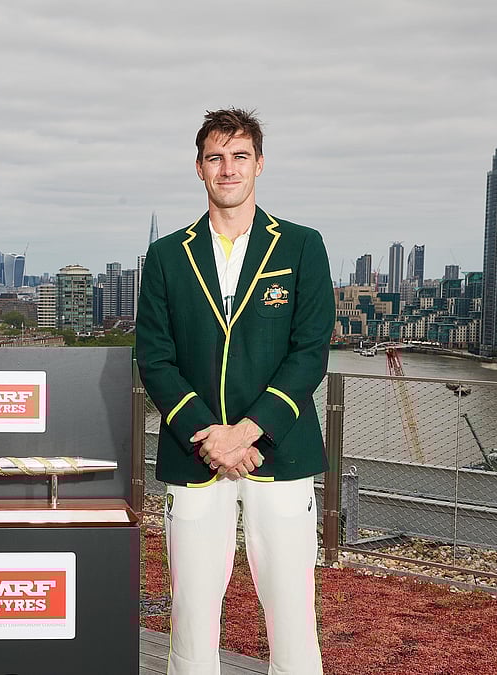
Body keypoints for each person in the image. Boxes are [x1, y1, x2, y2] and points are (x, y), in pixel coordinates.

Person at [137, 109, 333, 675]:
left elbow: (309, 352)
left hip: (280, 451)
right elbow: (155, 357)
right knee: (192, 613)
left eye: (240, 156)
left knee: (293, 612)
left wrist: (246, 433)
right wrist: (211, 439)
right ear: (199, 168)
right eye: (216, 157)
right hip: (195, 454)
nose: (228, 169)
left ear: (260, 165)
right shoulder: (168, 255)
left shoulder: (300, 246)